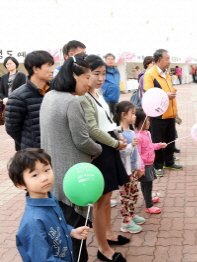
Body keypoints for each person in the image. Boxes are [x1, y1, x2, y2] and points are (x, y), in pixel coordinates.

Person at [40, 54, 103, 262]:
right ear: (74, 76)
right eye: (86, 77)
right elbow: (82, 140)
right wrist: (99, 150)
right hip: (74, 179)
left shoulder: (50, 96)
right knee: (77, 235)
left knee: (64, 230)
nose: (89, 83)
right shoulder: (71, 102)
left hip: (55, 176)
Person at [79, 55, 129, 261]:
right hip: (99, 149)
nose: (100, 78)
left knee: (108, 197)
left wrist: (118, 135)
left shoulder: (98, 94)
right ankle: (102, 248)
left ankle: (108, 233)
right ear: (85, 74)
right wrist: (115, 143)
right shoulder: (82, 97)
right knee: (100, 201)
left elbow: (107, 121)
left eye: (103, 74)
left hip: (109, 144)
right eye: (95, 74)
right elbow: (92, 129)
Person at [9, 148, 90, 262]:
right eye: (35, 175)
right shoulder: (33, 223)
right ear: (21, 184)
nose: (44, 178)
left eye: (47, 170)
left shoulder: (51, 199)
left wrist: (71, 231)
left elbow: (56, 226)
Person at [143, 49, 182, 176]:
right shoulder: (150, 75)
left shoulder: (167, 74)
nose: (169, 61)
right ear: (159, 60)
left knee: (170, 139)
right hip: (158, 114)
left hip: (170, 112)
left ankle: (169, 162)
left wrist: (175, 112)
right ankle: (158, 165)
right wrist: (165, 96)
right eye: (167, 59)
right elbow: (149, 94)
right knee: (157, 140)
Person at [5, 51, 54, 150]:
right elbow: (12, 128)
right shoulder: (18, 96)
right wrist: (29, 143)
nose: (52, 70)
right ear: (35, 68)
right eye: (48, 66)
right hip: (34, 153)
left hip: (55, 149)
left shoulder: (54, 91)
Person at [114, 101, 146, 233]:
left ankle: (131, 215)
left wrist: (138, 168)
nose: (135, 116)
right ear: (123, 115)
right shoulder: (119, 133)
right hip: (124, 171)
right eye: (132, 113)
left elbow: (136, 154)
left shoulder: (131, 131)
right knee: (125, 196)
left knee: (133, 194)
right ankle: (125, 221)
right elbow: (122, 153)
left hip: (132, 170)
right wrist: (131, 145)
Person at [135, 108, 165, 213]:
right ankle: (149, 205)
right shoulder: (137, 137)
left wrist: (159, 145)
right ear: (140, 123)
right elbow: (137, 153)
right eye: (147, 120)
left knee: (146, 184)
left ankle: (147, 199)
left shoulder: (147, 133)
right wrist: (141, 168)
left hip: (149, 163)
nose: (149, 122)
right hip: (144, 165)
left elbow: (149, 146)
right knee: (147, 185)